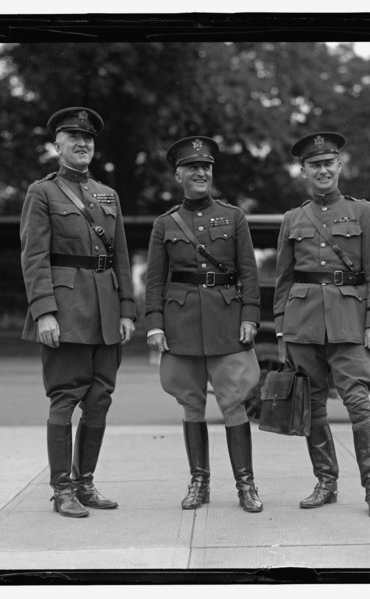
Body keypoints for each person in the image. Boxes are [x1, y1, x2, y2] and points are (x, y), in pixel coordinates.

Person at [20, 107, 136, 518]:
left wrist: (127, 311)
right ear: (58, 145)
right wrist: (44, 313)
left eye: (87, 138)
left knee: (100, 400)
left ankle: (85, 484)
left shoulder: (108, 195)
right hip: (66, 312)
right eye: (73, 137)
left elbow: (120, 257)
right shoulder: (43, 192)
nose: (82, 143)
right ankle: (61, 490)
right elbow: (34, 257)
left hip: (106, 312)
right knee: (65, 399)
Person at [273, 132, 370, 518]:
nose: (322, 170)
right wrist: (280, 329)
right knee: (313, 406)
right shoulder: (293, 218)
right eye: (314, 165)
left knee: (358, 404)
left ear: (340, 166)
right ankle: (326, 482)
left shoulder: (363, 212)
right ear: (303, 170)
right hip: (303, 324)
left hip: (350, 322)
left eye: (329, 163)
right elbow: (284, 279)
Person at [145, 136, 263, 513]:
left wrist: (249, 316)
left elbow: (248, 272)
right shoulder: (164, 224)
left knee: (234, 403)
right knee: (191, 405)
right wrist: (155, 325)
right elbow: (154, 280)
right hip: (180, 324)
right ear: (178, 175)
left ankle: (246, 485)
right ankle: (200, 483)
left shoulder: (233, 216)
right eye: (193, 168)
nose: (201, 173)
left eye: (206, 167)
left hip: (226, 322)